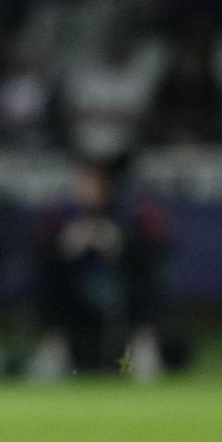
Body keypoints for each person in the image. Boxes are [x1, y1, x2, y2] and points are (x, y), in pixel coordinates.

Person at [28, 154, 171, 382]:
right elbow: (37, 251)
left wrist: (119, 243)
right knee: (48, 274)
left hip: (121, 294)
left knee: (145, 274)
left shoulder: (133, 213)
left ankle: (142, 345)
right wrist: (64, 246)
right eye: (80, 183)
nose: (82, 189)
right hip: (79, 299)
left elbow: (161, 250)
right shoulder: (61, 215)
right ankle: (55, 346)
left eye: (90, 183)